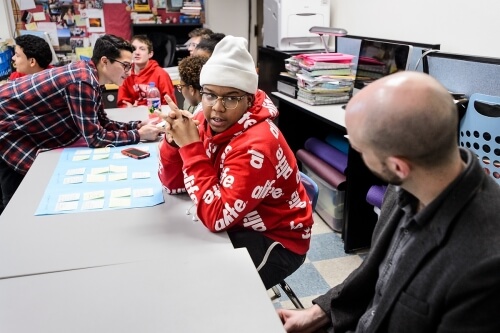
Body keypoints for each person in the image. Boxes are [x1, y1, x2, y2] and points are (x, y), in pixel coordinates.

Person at [277, 72, 500, 332]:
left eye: (358, 147)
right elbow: (377, 269)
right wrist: (320, 312)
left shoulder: (485, 265)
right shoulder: (406, 185)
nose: (355, 150)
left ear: (397, 166)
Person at [158, 36, 314, 289]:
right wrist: (174, 143)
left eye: (231, 98)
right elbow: (174, 186)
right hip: (235, 219)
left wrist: (191, 148)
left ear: (249, 100)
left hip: (276, 239)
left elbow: (217, 217)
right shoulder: (204, 117)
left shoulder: (257, 146)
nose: (217, 108)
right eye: (210, 95)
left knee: (212, 292)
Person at [0, 34, 161, 214]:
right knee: (19, 200)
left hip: (16, 122)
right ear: (105, 61)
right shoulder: (83, 80)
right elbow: (95, 138)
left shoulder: (91, 76)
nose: (129, 72)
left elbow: (101, 121)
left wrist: (136, 126)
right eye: (125, 65)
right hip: (6, 126)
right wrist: (139, 136)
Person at [117, 35, 176, 108]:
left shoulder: (161, 74)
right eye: (133, 49)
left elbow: (170, 105)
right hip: (133, 116)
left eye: (142, 49)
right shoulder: (125, 73)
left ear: (150, 54)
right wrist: (128, 107)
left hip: (157, 115)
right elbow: (122, 102)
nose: (137, 52)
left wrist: (150, 109)